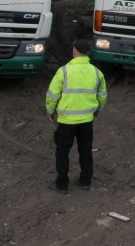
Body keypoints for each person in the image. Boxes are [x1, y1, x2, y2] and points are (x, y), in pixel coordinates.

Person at [46, 39, 108, 194]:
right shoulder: (96, 72)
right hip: (87, 120)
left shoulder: (64, 71)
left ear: (74, 52)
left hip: (66, 121)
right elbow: (102, 95)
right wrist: (98, 110)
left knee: (62, 151)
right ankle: (85, 180)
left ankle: (62, 184)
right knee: (85, 150)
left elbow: (52, 95)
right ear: (87, 53)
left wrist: (50, 112)